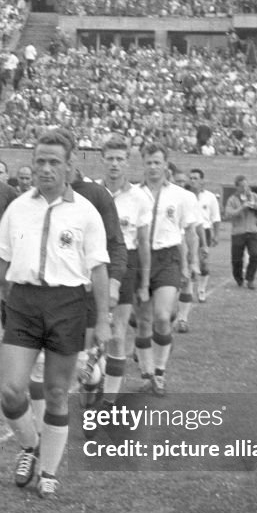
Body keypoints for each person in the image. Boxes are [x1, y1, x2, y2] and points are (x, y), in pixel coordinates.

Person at [0, 128, 111, 497]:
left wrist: (102, 320)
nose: (45, 168)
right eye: (39, 160)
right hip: (22, 302)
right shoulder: (18, 207)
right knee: (11, 390)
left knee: (57, 392)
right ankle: (30, 445)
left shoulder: (85, 212)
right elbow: (0, 258)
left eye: (54, 162)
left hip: (67, 304)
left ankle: (50, 471)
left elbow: (99, 268)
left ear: (69, 167)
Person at [132, 144, 200, 396]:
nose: (152, 167)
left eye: (157, 162)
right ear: (143, 163)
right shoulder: (132, 194)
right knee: (142, 321)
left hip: (167, 257)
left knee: (162, 316)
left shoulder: (182, 196)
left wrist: (189, 263)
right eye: (148, 162)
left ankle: (159, 371)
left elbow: (189, 232)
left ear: (165, 164)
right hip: (138, 259)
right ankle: (147, 371)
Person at [97, 137, 150, 404]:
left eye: (120, 159)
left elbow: (143, 243)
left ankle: (108, 400)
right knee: (92, 333)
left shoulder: (139, 198)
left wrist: (143, 284)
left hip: (126, 264)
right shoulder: (92, 193)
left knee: (117, 335)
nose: (115, 164)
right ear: (102, 160)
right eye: (110, 158)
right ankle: (93, 381)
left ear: (127, 162)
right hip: (94, 263)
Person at [182, 167, 221, 312]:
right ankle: (190, 290)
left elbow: (215, 218)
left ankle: (202, 289)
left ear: (202, 181)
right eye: (190, 178)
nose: (192, 181)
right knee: (190, 260)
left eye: (195, 178)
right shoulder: (185, 195)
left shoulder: (209, 197)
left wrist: (216, 235)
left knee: (204, 263)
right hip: (189, 230)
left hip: (204, 230)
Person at [223, 175, 257, 290]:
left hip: (253, 231)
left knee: (255, 255)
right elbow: (228, 214)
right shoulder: (232, 199)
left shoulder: (254, 197)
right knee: (236, 259)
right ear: (237, 187)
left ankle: (250, 279)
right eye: (242, 186)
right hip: (238, 232)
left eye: (246, 185)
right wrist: (242, 207)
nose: (245, 188)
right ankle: (238, 279)